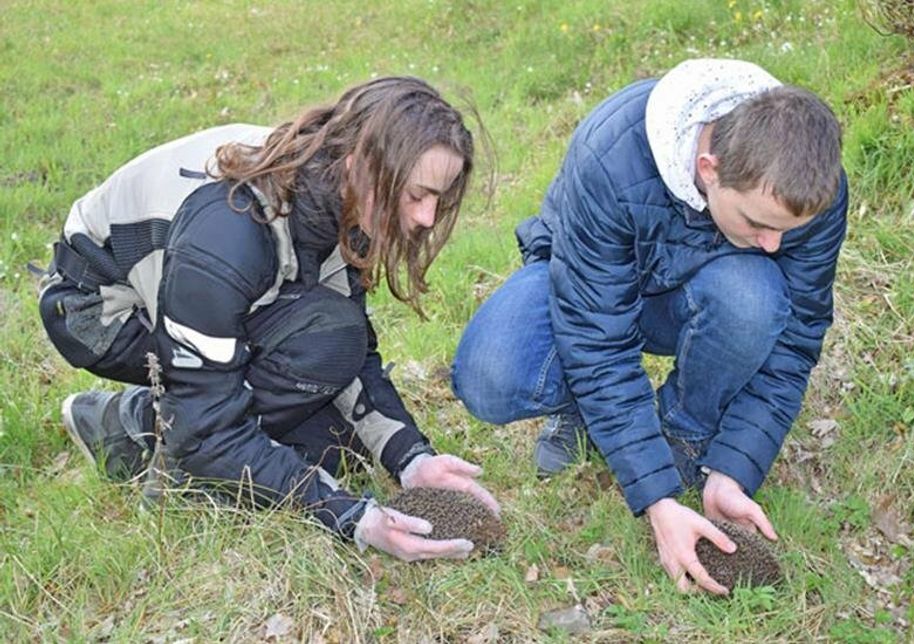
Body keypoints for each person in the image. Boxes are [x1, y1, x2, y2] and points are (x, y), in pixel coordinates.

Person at [39, 76, 499, 562]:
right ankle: (165, 446)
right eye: (417, 195)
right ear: (364, 164)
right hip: (99, 309)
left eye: (439, 200)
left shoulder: (349, 196)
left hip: (199, 286)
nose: (427, 218)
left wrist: (411, 458)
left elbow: (356, 354)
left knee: (335, 446)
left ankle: (129, 420)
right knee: (272, 388)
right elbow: (321, 346)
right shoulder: (228, 234)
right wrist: (352, 518)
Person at [451, 59, 847, 593]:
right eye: (757, 224)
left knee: (755, 298)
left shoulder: (807, 183)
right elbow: (596, 337)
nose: (774, 244)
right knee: (490, 374)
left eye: (786, 231)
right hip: (586, 284)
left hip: (704, 291)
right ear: (709, 168)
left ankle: (686, 433)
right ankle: (581, 413)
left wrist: (733, 469)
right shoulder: (612, 158)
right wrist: (657, 501)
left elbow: (794, 343)